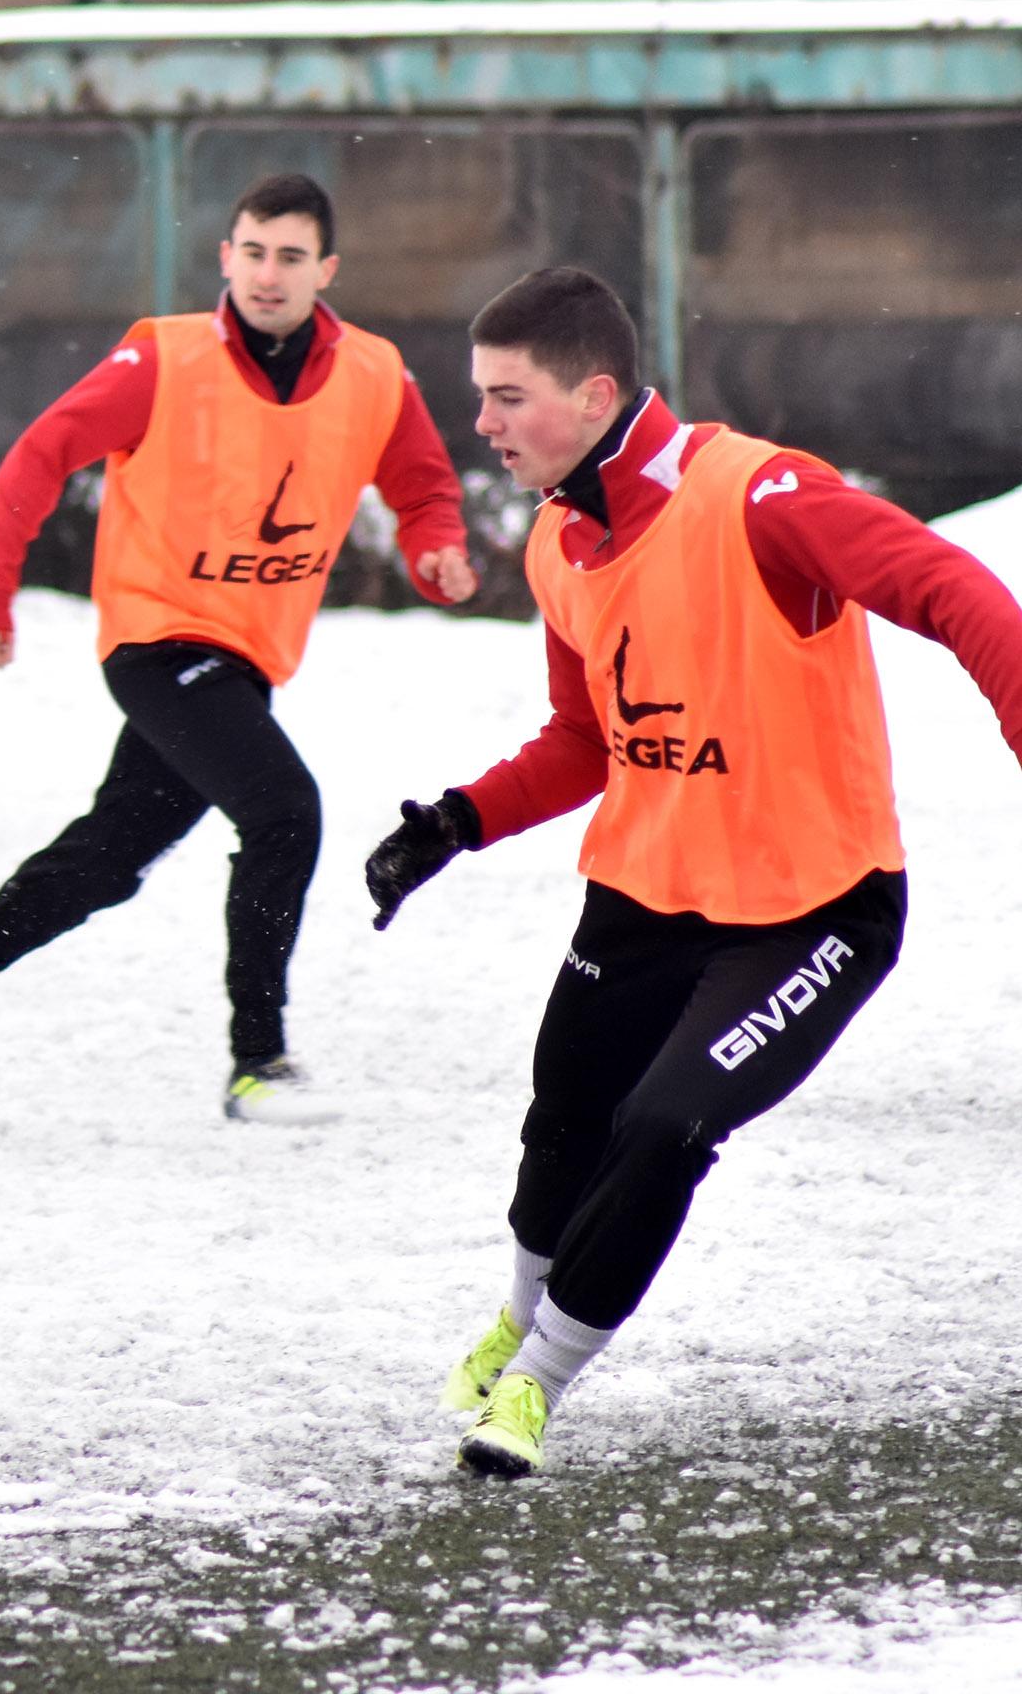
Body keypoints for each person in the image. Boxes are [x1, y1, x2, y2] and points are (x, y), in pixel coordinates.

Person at [363, 267, 1022, 1478]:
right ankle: (517, 1314)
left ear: (594, 391)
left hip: (811, 909)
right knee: (564, 1102)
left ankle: (538, 1385)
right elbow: (585, 739)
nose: (485, 425)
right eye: (481, 397)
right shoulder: (564, 537)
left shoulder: (762, 495)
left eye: (507, 397)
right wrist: (456, 821)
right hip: (650, 885)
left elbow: (949, 584)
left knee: (665, 1124)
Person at [0, 173, 477, 1123]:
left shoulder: (375, 372)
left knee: (107, 860)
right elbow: (40, 453)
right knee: (285, 811)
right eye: (252, 251)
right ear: (225, 257)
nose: (269, 274)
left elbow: (422, 488)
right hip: (157, 640)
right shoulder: (161, 359)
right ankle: (259, 1063)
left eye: (291, 256)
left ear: (326, 269)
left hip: (245, 659)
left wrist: (434, 553)